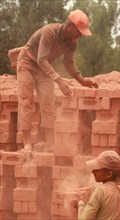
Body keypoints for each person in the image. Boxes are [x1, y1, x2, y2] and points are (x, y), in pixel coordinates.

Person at [17, 9, 98, 151]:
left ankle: (49, 144)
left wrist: (82, 80)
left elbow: (69, 63)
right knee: (26, 101)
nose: (79, 36)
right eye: (78, 31)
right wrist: (59, 80)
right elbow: (41, 59)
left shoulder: (72, 43)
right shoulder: (50, 31)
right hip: (27, 63)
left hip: (44, 68)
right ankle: (27, 143)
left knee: (49, 103)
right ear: (70, 26)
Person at [78, 150, 120, 220]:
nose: (93, 171)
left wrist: (82, 202)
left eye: (97, 169)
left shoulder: (101, 191)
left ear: (109, 174)